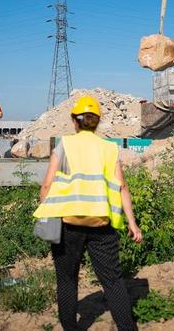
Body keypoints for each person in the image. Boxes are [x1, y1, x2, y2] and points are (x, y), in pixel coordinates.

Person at [34, 96, 142, 331]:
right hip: (101, 225)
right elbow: (122, 186)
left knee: (67, 280)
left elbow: (47, 186)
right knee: (113, 282)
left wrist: (47, 215)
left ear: (75, 121)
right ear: (97, 122)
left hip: (67, 224)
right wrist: (132, 223)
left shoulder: (65, 146)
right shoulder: (109, 148)